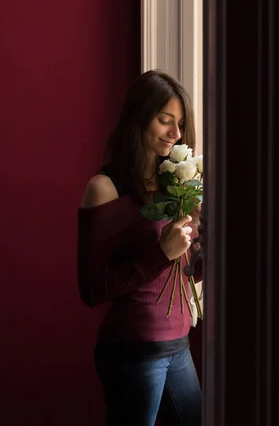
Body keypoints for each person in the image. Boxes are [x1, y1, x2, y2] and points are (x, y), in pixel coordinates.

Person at [77, 69, 202, 426]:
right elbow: (91, 289)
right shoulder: (105, 188)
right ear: (139, 117)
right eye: (165, 120)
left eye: (179, 123)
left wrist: (206, 237)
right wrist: (161, 253)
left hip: (179, 346)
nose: (175, 133)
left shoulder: (176, 183)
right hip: (133, 352)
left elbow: (189, 269)